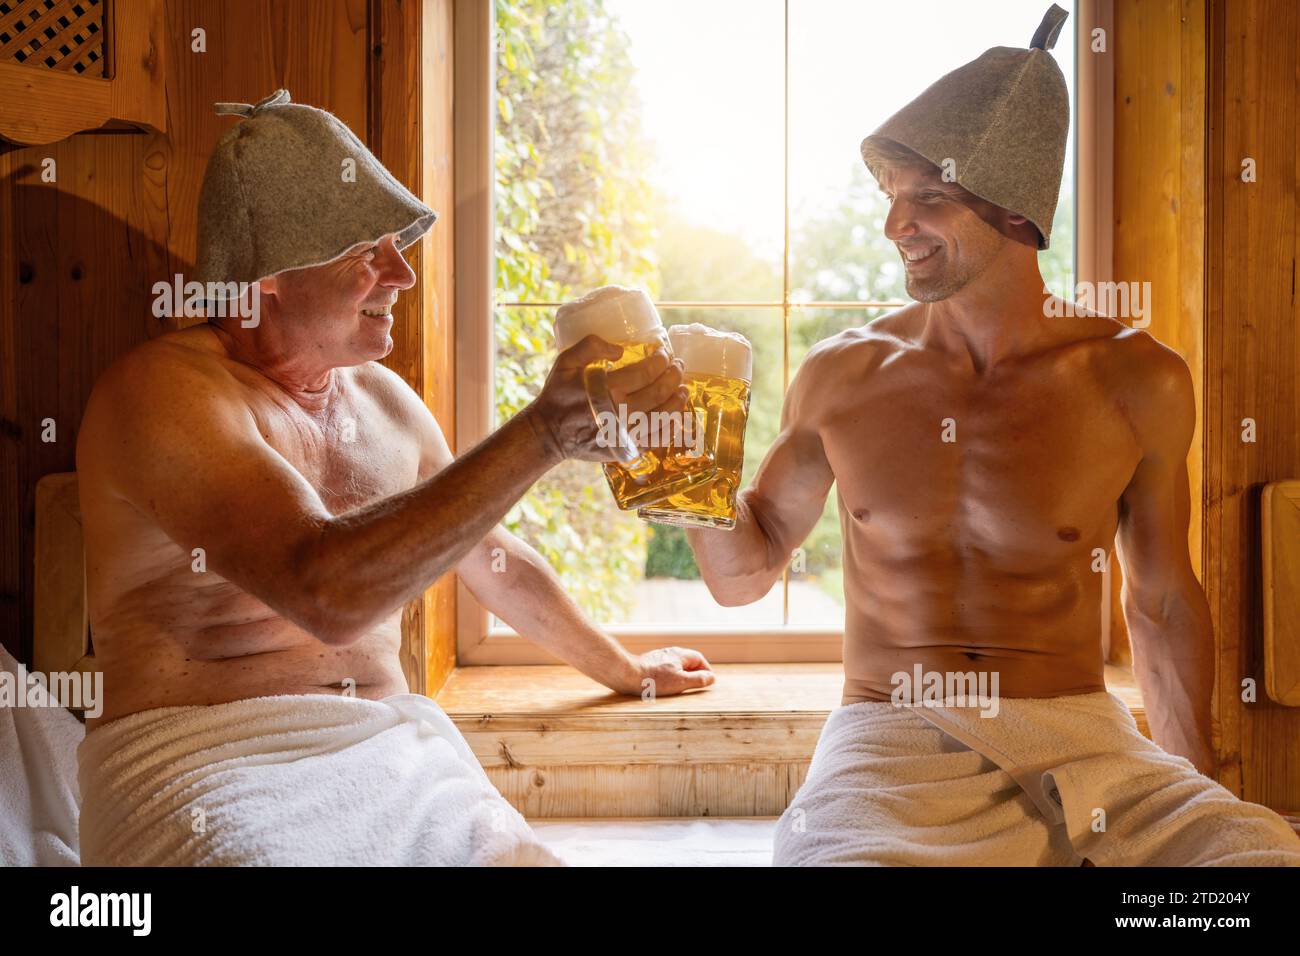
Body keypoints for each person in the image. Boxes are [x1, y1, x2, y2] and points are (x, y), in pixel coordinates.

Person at [686, 5, 1300, 866]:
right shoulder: (843, 375)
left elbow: (1160, 601)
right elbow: (744, 577)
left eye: (928, 199)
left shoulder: (1135, 379)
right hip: (892, 748)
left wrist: (1193, 793)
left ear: (1017, 215)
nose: (896, 227)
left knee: (1252, 872)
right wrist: (678, 478)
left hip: (1081, 739)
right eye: (893, 200)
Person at [74, 89, 712, 866]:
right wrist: (542, 433)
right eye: (364, 252)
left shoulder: (387, 403)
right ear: (262, 277)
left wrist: (623, 667)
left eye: (396, 246)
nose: (402, 275)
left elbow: (492, 558)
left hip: (389, 746)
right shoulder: (162, 396)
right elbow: (324, 593)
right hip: (202, 756)